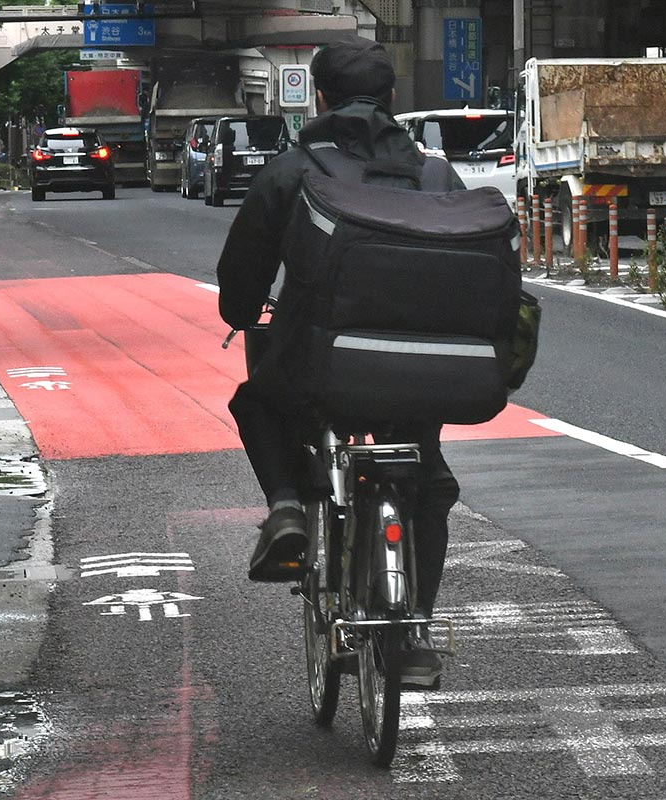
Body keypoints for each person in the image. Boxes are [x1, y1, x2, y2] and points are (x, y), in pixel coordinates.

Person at [216, 35, 466, 687]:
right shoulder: (436, 174)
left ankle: (289, 510)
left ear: (319, 99)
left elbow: (242, 282)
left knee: (259, 403)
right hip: (419, 374)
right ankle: (411, 636)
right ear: (391, 99)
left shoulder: (292, 171)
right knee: (427, 484)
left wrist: (245, 314)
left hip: (316, 368)